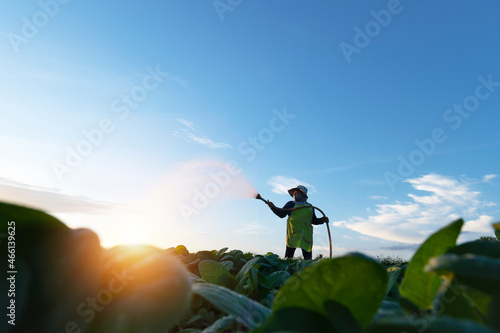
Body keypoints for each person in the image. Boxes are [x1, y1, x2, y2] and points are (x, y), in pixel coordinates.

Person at [266, 185, 329, 260]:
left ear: (303, 195)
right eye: (294, 193)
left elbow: (313, 220)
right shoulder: (290, 204)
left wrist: (322, 220)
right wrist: (272, 207)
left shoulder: (309, 207)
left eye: (297, 192)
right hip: (293, 234)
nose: (295, 194)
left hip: (306, 235)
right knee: (288, 257)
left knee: (308, 259)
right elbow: (281, 214)